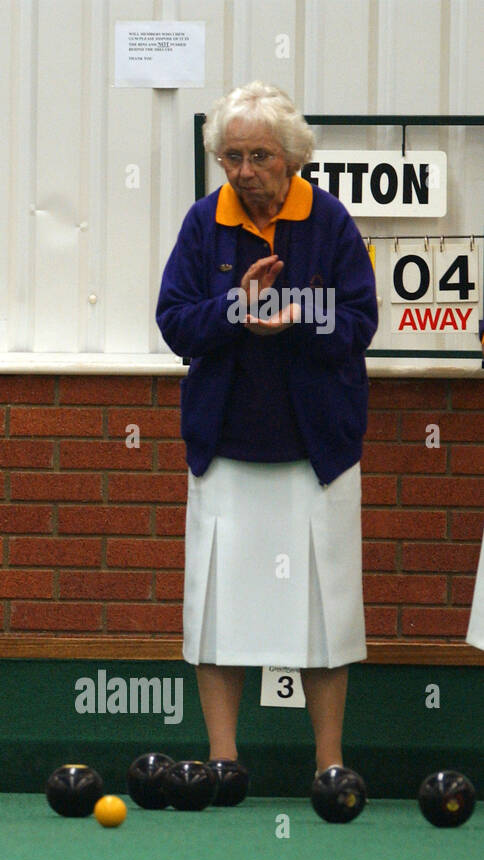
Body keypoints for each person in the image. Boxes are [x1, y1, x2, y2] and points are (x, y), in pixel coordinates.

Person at [156, 81, 377, 779]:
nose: (244, 171)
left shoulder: (331, 222)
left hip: (317, 455)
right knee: (219, 611)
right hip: (225, 452)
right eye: (231, 156)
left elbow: (360, 322)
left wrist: (295, 320)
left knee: (325, 616)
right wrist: (234, 311)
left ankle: (329, 763)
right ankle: (224, 762)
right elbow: (173, 320)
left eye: (259, 156)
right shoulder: (203, 223)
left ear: (292, 158)